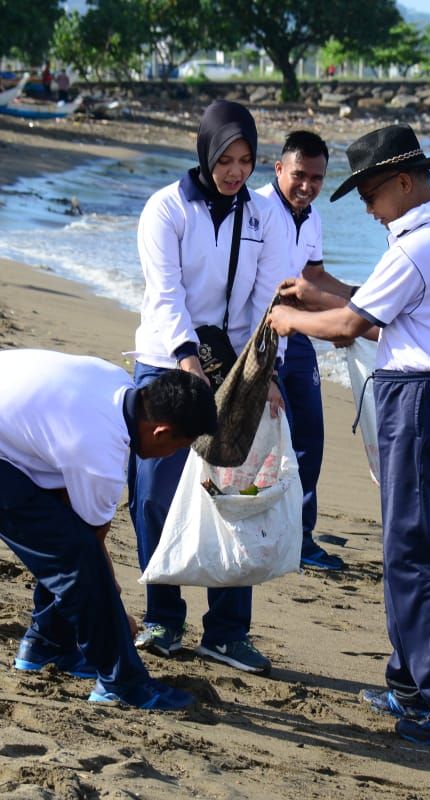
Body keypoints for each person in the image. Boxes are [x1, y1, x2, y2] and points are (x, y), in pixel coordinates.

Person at [267, 124, 430, 748]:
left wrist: (290, 318)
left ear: (404, 182)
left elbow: (350, 325)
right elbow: (385, 320)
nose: (369, 210)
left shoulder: (418, 245)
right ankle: (413, 682)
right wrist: (323, 297)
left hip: (425, 401)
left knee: (421, 551)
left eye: (370, 194)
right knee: (420, 544)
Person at [0, 349, 217, 711]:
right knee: (75, 556)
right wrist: (116, 617)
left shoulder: (119, 383)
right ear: (161, 430)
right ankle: (122, 682)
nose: (170, 456)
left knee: (63, 535)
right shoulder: (100, 456)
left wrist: (107, 600)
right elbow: (86, 554)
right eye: (177, 448)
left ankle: (47, 645)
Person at [129, 100, 290, 676]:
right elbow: (164, 293)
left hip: (237, 364)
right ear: (207, 151)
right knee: (155, 492)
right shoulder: (167, 208)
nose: (236, 171)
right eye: (226, 158)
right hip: (165, 360)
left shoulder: (264, 217)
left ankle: (226, 631)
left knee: (235, 495)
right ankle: (163, 618)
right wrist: (188, 362)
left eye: (247, 159)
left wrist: (263, 374)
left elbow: (270, 300)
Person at [254, 131, 352, 572]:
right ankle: (263, 532)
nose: (307, 186)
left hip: (298, 340)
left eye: (317, 178)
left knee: (310, 438)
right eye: (299, 175)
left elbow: (314, 277)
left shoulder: (310, 217)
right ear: (278, 169)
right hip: (257, 339)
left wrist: (358, 304)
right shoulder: (255, 209)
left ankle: (302, 537)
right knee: (270, 442)